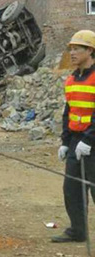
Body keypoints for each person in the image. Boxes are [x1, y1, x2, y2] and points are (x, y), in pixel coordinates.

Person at [54, 30, 95, 243]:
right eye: (71, 49)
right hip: (76, 141)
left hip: (91, 141)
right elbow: (68, 111)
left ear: (90, 51)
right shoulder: (71, 79)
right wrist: (65, 142)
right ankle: (78, 230)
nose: (72, 53)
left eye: (77, 49)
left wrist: (89, 140)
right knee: (72, 188)